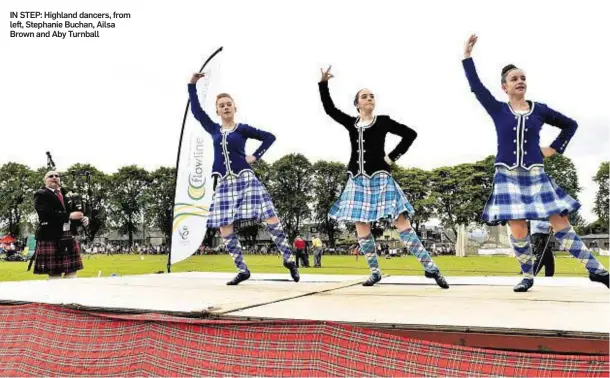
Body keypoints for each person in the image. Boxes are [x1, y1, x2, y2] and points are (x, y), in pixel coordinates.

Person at [462, 34, 609, 291]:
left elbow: (570, 125)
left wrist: (553, 149)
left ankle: (596, 270)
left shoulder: (539, 110)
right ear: (504, 87)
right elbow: (476, 87)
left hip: (536, 175)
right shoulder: (498, 110)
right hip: (506, 174)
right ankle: (527, 276)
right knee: (517, 226)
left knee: (560, 222)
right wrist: (467, 57)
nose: (520, 81)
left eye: (522, 78)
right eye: (514, 79)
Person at [318, 66, 449, 288]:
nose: (369, 99)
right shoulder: (351, 124)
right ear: (357, 104)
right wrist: (323, 84)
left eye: (371, 96)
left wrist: (391, 158)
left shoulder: (383, 121)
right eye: (364, 96)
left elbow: (410, 134)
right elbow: (330, 109)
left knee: (401, 222)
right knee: (361, 225)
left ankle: (430, 267)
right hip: (357, 180)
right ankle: (375, 271)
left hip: (381, 178)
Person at [188, 73, 299, 285]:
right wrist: (191, 85)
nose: (226, 107)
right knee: (224, 227)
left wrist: (255, 156)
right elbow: (196, 111)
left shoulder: (243, 129)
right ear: (218, 111)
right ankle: (242, 269)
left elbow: (270, 137)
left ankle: (288, 258)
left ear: (234, 108)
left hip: (245, 178)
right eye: (222, 105)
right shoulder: (213, 129)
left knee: (270, 215)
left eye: (229, 104)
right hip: (224, 182)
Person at [30, 171, 89, 279]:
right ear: (45, 181)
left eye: (57, 176)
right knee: (54, 273)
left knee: (72, 272)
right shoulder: (41, 194)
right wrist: (69, 216)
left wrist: (83, 219)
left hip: (68, 235)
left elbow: (75, 211)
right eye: (50, 176)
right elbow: (45, 214)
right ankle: (56, 295)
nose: (54, 177)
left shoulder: (67, 194)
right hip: (50, 236)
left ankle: (70, 295)